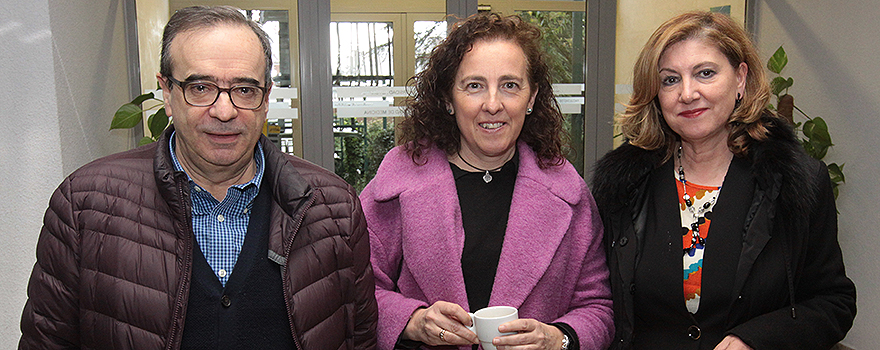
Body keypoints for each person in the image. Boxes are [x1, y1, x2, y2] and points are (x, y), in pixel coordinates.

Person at [19, 6, 377, 350]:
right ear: (168, 93)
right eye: (201, 87)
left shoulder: (334, 209)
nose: (224, 111)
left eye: (245, 90)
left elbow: (359, 338)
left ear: (266, 98)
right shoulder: (86, 206)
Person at [591, 11, 856, 350]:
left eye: (705, 73)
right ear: (655, 93)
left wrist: (755, 340)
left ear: (741, 79)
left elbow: (834, 301)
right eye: (670, 79)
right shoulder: (625, 187)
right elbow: (595, 299)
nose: (687, 93)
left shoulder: (795, 182)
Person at [360, 12, 613, 350]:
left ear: (532, 98)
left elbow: (599, 307)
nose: (493, 105)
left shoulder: (568, 192)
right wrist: (413, 320)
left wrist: (559, 338)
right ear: (449, 99)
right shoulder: (396, 184)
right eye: (474, 86)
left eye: (510, 85)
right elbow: (354, 290)